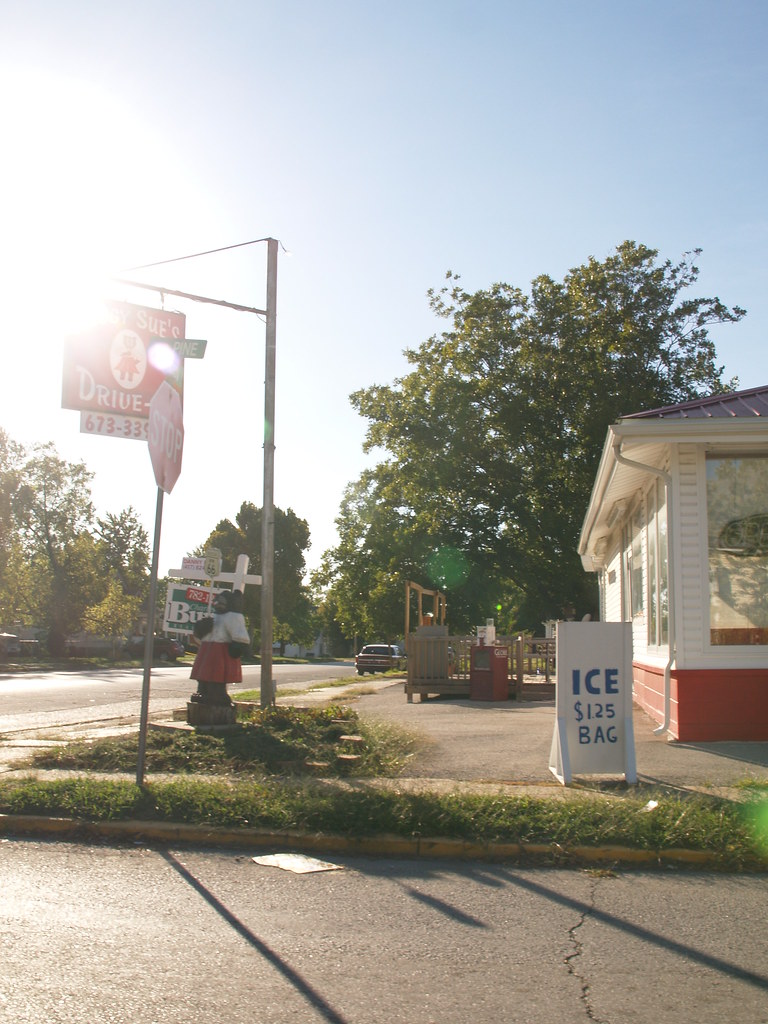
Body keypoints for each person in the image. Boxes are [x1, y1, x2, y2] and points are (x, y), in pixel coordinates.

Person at [189, 589, 251, 705]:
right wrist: (202, 628)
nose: (218, 604)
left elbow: (240, 636)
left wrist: (237, 647)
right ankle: (202, 692)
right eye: (217, 601)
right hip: (208, 648)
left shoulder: (233, 616)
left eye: (221, 602)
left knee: (216, 676)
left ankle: (217, 695)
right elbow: (201, 635)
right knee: (204, 674)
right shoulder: (216, 616)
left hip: (220, 650)